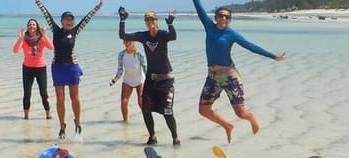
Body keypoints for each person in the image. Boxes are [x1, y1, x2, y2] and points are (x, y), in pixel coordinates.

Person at [192, 0, 286, 143]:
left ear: (229, 20)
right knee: (203, 110)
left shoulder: (231, 34)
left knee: (240, 113)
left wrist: (274, 57)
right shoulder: (209, 26)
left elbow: (250, 46)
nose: (224, 19)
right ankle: (227, 126)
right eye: (221, 16)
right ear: (215, 17)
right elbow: (199, 8)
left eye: (227, 17)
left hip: (229, 75)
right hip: (212, 76)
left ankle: (251, 118)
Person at [34, 0, 104, 140]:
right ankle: (62, 126)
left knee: (75, 97)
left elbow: (87, 18)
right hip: (58, 67)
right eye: (66, 19)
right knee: (60, 99)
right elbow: (45, 13)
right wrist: (38, 2)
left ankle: (77, 122)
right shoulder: (55, 30)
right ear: (62, 21)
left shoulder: (75, 31)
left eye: (71, 20)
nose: (69, 22)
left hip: (72, 67)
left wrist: (99, 5)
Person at [119, 8, 180, 146]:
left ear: (156, 21)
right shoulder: (143, 36)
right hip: (151, 79)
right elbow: (122, 34)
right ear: (145, 22)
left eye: (152, 19)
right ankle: (152, 137)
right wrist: (122, 20)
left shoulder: (163, 35)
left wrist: (170, 25)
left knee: (167, 111)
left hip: (166, 79)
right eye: (147, 20)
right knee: (146, 109)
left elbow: (173, 36)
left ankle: (175, 138)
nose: (150, 22)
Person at [13, 18, 54, 120]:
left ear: (37, 27)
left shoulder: (41, 38)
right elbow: (15, 50)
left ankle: (48, 114)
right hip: (27, 69)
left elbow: (51, 47)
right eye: (30, 25)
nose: (32, 26)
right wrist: (20, 38)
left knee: (43, 93)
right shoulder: (24, 39)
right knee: (27, 93)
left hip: (40, 68)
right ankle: (26, 117)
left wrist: (44, 35)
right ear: (27, 27)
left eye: (34, 25)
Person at [108, 39, 147, 125]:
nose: (127, 43)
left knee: (141, 102)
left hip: (140, 80)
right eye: (125, 41)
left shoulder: (139, 54)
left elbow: (145, 68)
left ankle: (147, 121)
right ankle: (125, 122)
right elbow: (120, 70)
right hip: (127, 81)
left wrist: (150, 81)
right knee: (123, 102)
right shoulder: (121, 54)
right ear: (123, 43)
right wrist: (114, 80)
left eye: (130, 41)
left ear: (133, 42)